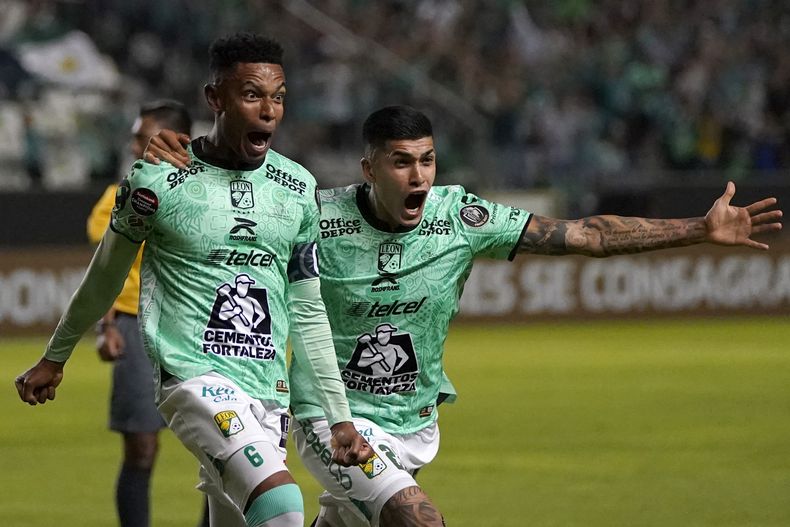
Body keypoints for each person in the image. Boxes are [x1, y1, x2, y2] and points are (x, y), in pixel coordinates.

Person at [144, 105, 782, 527]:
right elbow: (236, 205)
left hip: (414, 425)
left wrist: (697, 228)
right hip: (330, 420)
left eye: (426, 159)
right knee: (419, 521)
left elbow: (583, 235)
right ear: (369, 169)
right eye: (400, 161)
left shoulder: (459, 217)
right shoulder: (317, 213)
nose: (417, 174)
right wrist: (182, 153)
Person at [14, 32, 371, 527]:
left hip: (268, 390)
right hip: (193, 377)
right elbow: (105, 275)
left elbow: (308, 310)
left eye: (279, 97)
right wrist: (56, 356)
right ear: (214, 98)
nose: (269, 110)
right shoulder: (157, 181)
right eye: (251, 94)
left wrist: (340, 417)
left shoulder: (298, 188)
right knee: (284, 507)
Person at [86, 99, 207, 527]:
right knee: (141, 446)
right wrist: (106, 325)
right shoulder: (120, 194)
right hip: (135, 322)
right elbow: (105, 266)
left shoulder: (210, 189)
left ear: (178, 139)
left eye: (143, 136)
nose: (135, 145)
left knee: (222, 448)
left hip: (198, 325)